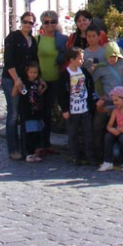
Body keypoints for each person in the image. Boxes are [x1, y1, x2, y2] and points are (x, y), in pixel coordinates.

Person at [92, 42, 123, 162]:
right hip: (108, 101)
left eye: (114, 57)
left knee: (122, 127)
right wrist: (101, 94)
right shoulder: (101, 68)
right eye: (109, 57)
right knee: (99, 126)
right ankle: (100, 154)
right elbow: (95, 81)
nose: (112, 60)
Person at [2, 12, 38, 161]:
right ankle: (13, 149)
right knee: (13, 114)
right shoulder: (13, 37)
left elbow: (34, 61)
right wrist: (16, 79)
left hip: (26, 80)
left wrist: (37, 78)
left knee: (25, 114)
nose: (27, 25)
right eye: (25, 22)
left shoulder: (33, 40)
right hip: (12, 79)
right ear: (21, 22)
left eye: (30, 23)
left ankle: (26, 149)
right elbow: (8, 61)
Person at [58, 47, 97, 166]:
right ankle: (75, 156)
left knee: (88, 134)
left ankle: (90, 156)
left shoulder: (84, 72)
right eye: (80, 58)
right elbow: (62, 94)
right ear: (72, 60)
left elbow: (90, 87)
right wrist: (64, 109)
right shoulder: (65, 75)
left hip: (84, 108)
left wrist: (91, 103)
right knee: (73, 134)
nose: (82, 61)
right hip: (72, 109)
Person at [36, 10, 68, 153]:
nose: (50, 25)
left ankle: (47, 143)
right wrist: (38, 78)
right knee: (39, 112)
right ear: (42, 24)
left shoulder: (62, 39)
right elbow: (33, 60)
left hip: (57, 79)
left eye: (53, 22)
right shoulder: (38, 40)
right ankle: (38, 144)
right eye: (46, 22)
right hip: (41, 80)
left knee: (49, 112)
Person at [14, 61, 46, 162]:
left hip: (36, 112)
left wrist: (43, 87)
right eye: (31, 72)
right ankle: (27, 153)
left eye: (35, 72)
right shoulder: (25, 83)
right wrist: (16, 85)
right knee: (27, 134)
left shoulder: (37, 83)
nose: (33, 74)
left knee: (36, 133)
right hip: (27, 112)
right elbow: (16, 93)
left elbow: (41, 91)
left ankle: (34, 152)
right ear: (27, 72)